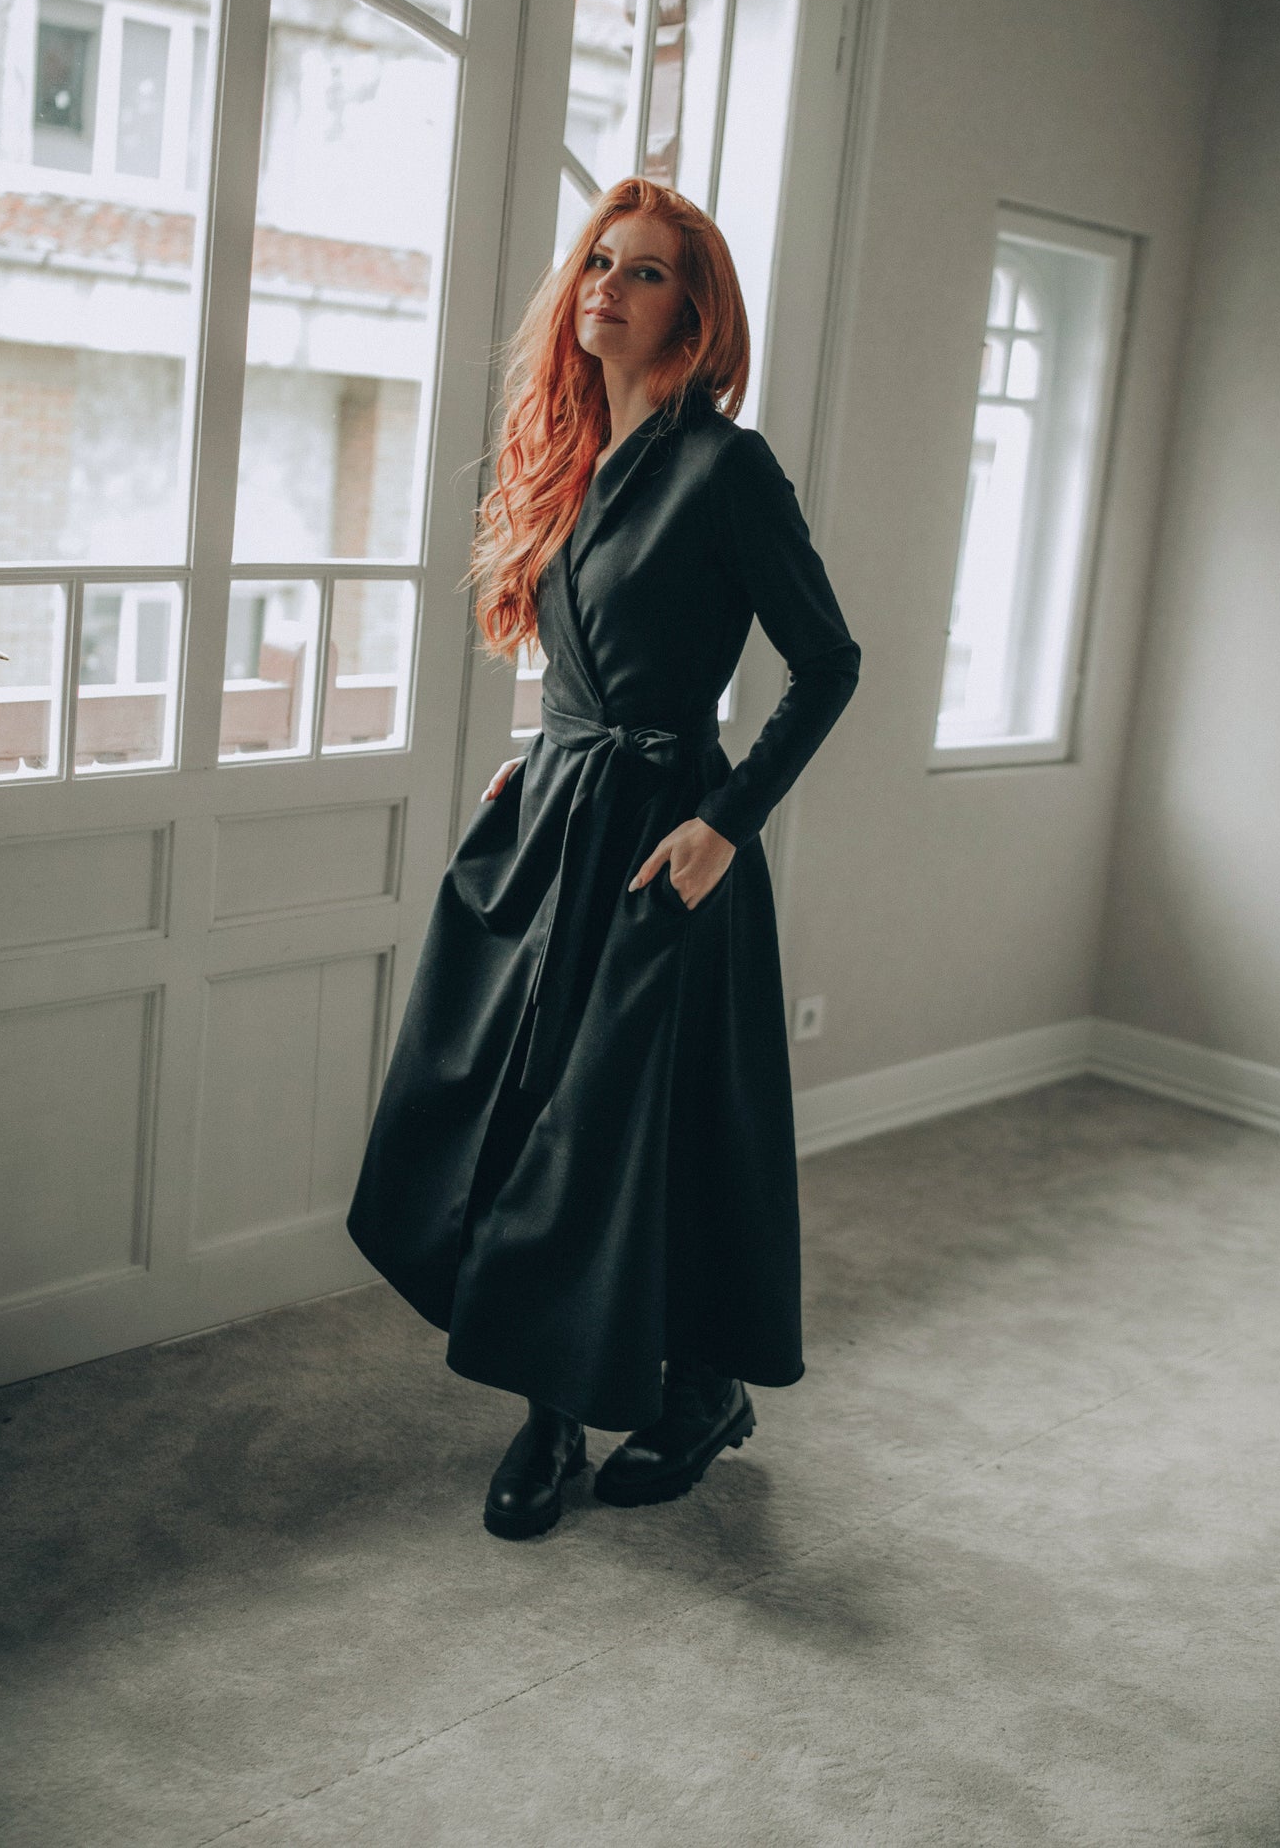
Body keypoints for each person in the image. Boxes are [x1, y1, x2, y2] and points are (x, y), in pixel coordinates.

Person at [347, 176, 860, 1540]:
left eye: (639, 274)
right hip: (559, 815)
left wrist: (724, 820)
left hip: (661, 848)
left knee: (629, 1133)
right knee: (500, 1103)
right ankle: (560, 1402)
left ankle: (682, 1392)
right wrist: (550, 746)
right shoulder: (571, 454)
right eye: (597, 263)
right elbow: (596, 652)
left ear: (691, 317)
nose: (603, 289)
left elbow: (827, 664)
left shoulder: (725, 466)